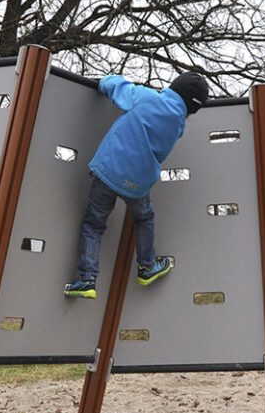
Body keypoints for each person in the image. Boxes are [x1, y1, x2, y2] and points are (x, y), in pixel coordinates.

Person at [64, 72, 209, 299]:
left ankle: (86, 279)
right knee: (144, 219)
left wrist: (106, 79)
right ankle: (147, 266)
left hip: (108, 170)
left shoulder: (147, 98)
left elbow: (119, 89)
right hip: (138, 183)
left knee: (94, 224)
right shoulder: (179, 125)